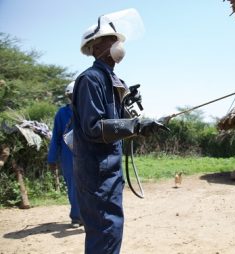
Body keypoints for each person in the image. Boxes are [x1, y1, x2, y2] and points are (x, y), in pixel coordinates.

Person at [72, 18, 169, 254]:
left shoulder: (114, 81)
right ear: (95, 47)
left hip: (110, 173)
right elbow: (94, 127)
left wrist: (143, 122)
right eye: (110, 39)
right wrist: (135, 126)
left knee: (111, 231)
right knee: (105, 233)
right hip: (97, 174)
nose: (117, 43)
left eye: (117, 39)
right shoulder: (90, 79)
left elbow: (122, 123)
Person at [47, 81, 81, 228]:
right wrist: (52, 159)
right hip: (68, 155)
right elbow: (56, 137)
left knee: (89, 185)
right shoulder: (62, 113)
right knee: (73, 186)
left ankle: (87, 216)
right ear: (68, 96)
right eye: (71, 95)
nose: (73, 97)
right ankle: (76, 217)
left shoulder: (89, 111)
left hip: (88, 154)